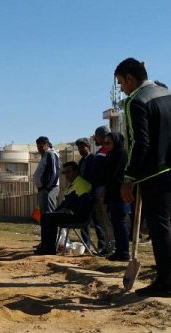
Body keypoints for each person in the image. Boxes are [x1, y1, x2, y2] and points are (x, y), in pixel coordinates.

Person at [115, 58, 171, 297]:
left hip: (155, 173)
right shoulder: (167, 93)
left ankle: (167, 282)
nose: (121, 89)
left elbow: (140, 143)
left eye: (121, 83)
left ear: (130, 77)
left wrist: (129, 178)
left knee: (160, 227)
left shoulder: (136, 101)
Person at [37, 162, 92, 255]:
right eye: (64, 173)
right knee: (46, 216)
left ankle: (49, 249)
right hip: (70, 214)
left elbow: (80, 205)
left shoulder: (82, 184)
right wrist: (56, 212)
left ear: (76, 171)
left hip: (78, 216)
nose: (66, 175)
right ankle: (45, 246)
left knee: (49, 218)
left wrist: (63, 210)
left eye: (68, 172)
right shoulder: (70, 186)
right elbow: (64, 204)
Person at [104, 133, 130, 261]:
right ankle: (119, 251)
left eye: (109, 142)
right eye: (105, 143)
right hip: (111, 193)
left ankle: (124, 252)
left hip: (119, 193)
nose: (106, 145)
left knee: (120, 223)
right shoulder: (110, 155)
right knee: (115, 222)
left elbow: (116, 174)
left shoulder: (121, 154)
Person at [33, 136, 60, 252]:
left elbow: (54, 173)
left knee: (49, 218)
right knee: (44, 218)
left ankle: (50, 246)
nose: (39, 148)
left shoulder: (51, 154)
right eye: (38, 146)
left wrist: (47, 188)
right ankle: (45, 243)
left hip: (49, 189)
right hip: (43, 190)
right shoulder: (45, 156)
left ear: (47, 145)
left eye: (41, 146)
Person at [89, 126, 113, 255]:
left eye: (96, 136)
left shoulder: (109, 151)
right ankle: (106, 246)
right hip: (97, 190)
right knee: (102, 220)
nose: (95, 138)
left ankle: (112, 247)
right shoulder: (100, 151)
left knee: (108, 220)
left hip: (103, 190)